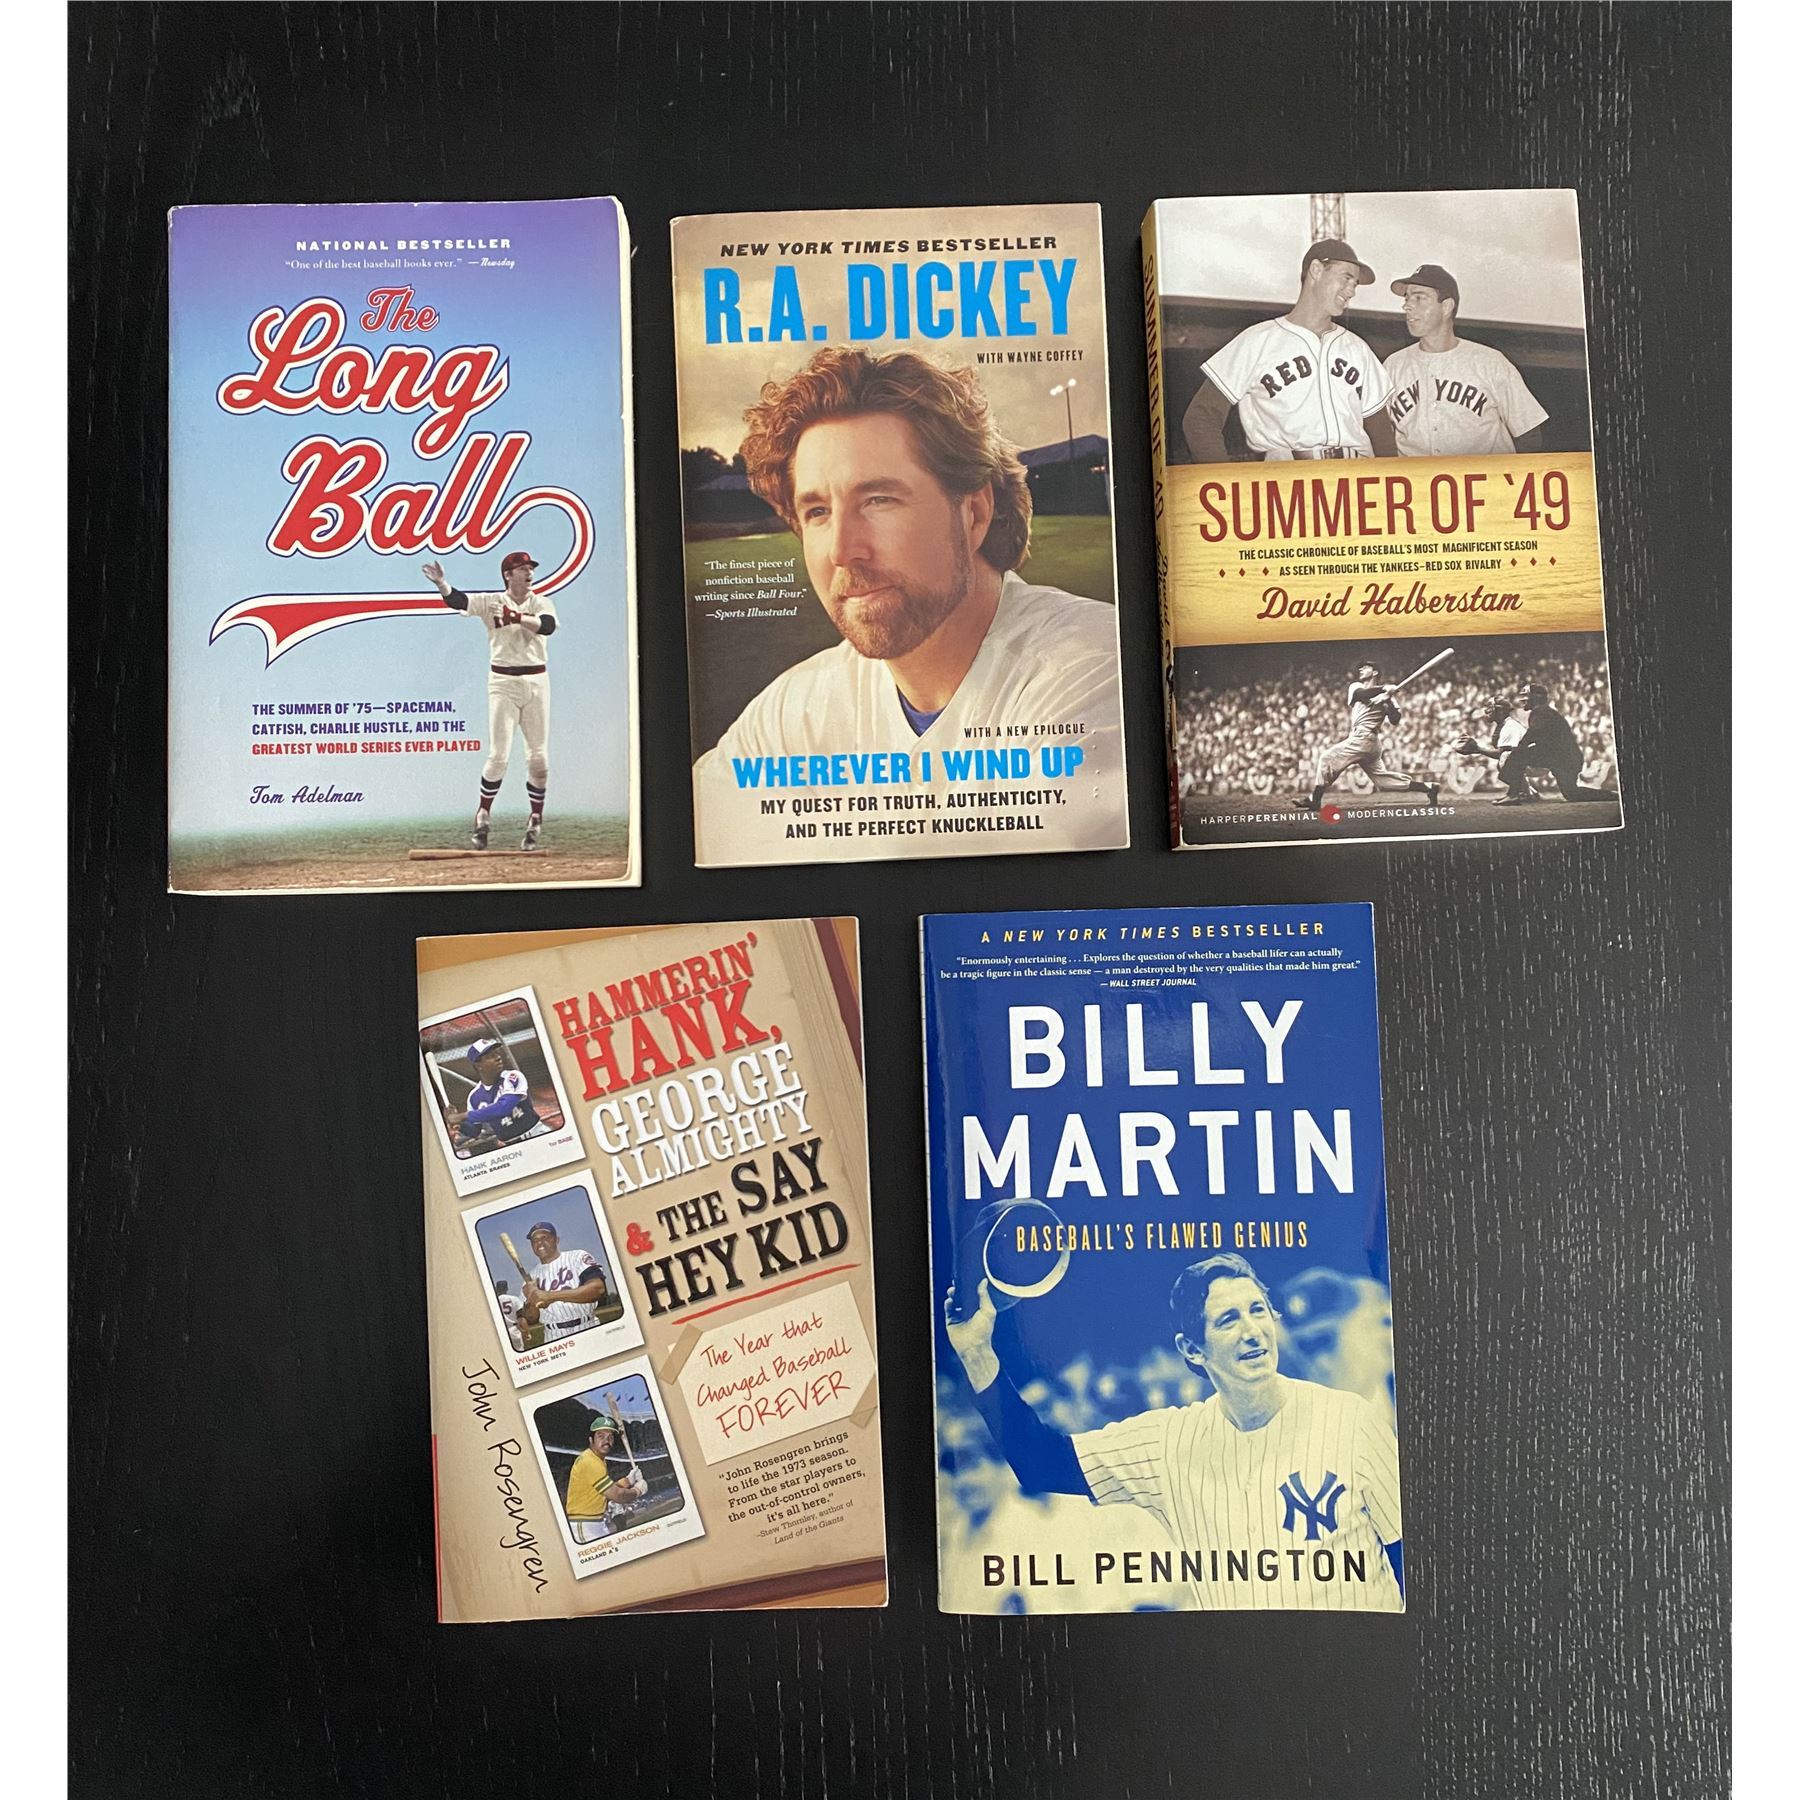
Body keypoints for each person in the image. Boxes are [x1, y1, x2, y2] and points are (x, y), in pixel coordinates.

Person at [691, 347, 1126, 860]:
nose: (842, 550)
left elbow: (1023, 880)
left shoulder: (1098, 669)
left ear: (974, 513)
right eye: (817, 511)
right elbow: (692, 839)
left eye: (879, 500)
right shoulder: (797, 707)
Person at [944, 1252, 1403, 1611]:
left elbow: (1414, 1563)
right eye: (1228, 1320)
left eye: (1258, 1310)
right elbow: (1040, 1463)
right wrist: (978, 1353)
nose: (1252, 1331)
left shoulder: (1352, 1420)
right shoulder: (1168, 1443)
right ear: (1192, 1349)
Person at [1181, 239, 1395, 461]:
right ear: (1316, 270)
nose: (1351, 291)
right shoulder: (1258, 340)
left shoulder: (1358, 348)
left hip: (1357, 470)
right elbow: (1201, 416)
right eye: (1346, 278)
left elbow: (1381, 434)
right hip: (1289, 472)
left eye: (1355, 284)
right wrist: (1224, 478)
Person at [422, 549, 557, 851]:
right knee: (498, 756)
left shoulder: (541, 602)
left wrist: (517, 617)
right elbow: (459, 601)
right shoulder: (492, 601)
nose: (529, 573)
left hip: (537, 681)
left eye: (530, 568)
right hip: (502, 682)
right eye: (523, 569)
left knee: (539, 759)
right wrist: (442, 584)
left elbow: (547, 625)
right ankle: (483, 815)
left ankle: (535, 818)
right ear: (508, 575)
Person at [1382, 264, 1548, 457]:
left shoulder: (1489, 362)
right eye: (1407, 298)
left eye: (1419, 298)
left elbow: (1529, 433)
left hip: (1481, 475)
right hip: (1418, 475)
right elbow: (1381, 437)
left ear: (1446, 307)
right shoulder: (1393, 366)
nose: (1407, 306)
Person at [1294, 660, 1438, 814]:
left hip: (1365, 738)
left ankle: (1314, 800)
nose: (1361, 669)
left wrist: (1388, 702)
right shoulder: (1356, 687)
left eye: (1366, 667)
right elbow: (1361, 695)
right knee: (1383, 782)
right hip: (1364, 740)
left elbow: (1395, 720)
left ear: (1375, 672)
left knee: (1326, 758)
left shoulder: (1389, 697)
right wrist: (1383, 689)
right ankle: (1429, 787)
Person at [1456, 680, 1611, 805]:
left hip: (1563, 758)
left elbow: (1532, 735)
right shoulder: (1542, 712)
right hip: (1561, 757)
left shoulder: (1541, 712)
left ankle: (1514, 794)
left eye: (1526, 695)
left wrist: (1516, 753)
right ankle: (1611, 795)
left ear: (1535, 697)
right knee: (1572, 794)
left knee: (1515, 755)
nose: (1522, 699)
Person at [519, 1221, 612, 1343]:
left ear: (556, 1240)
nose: (539, 1242)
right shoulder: (530, 1278)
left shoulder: (577, 1257)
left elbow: (597, 1289)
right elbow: (531, 1318)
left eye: (544, 1237)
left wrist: (550, 1296)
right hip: (554, 1335)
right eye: (535, 1240)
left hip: (588, 1326)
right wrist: (530, 1300)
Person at [562, 1415, 647, 1544]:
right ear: (591, 1439)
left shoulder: (597, 1460)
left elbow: (603, 1492)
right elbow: (618, 1496)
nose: (606, 1440)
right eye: (601, 1436)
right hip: (585, 1525)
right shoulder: (590, 1462)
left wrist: (628, 1480)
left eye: (610, 1437)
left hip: (594, 1522)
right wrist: (638, 1490)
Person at [451, 1038, 548, 1150]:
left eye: (496, 1054)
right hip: (512, 1148)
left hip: (537, 1135)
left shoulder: (512, 1076)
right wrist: (459, 1125)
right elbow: (474, 1131)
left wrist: (462, 1116)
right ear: (478, 1066)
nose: (498, 1057)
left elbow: (503, 1108)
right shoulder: (474, 1097)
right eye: (490, 1056)